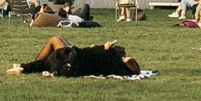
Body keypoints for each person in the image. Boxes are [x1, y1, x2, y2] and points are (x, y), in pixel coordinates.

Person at [10, 37, 143, 78]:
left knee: (55, 40)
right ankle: (24, 67)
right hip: (74, 60)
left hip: (71, 59)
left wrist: (104, 46)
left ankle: (26, 66)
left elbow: (89, 51)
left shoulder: (108, 53)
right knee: (48, 60)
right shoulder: (114, 65)